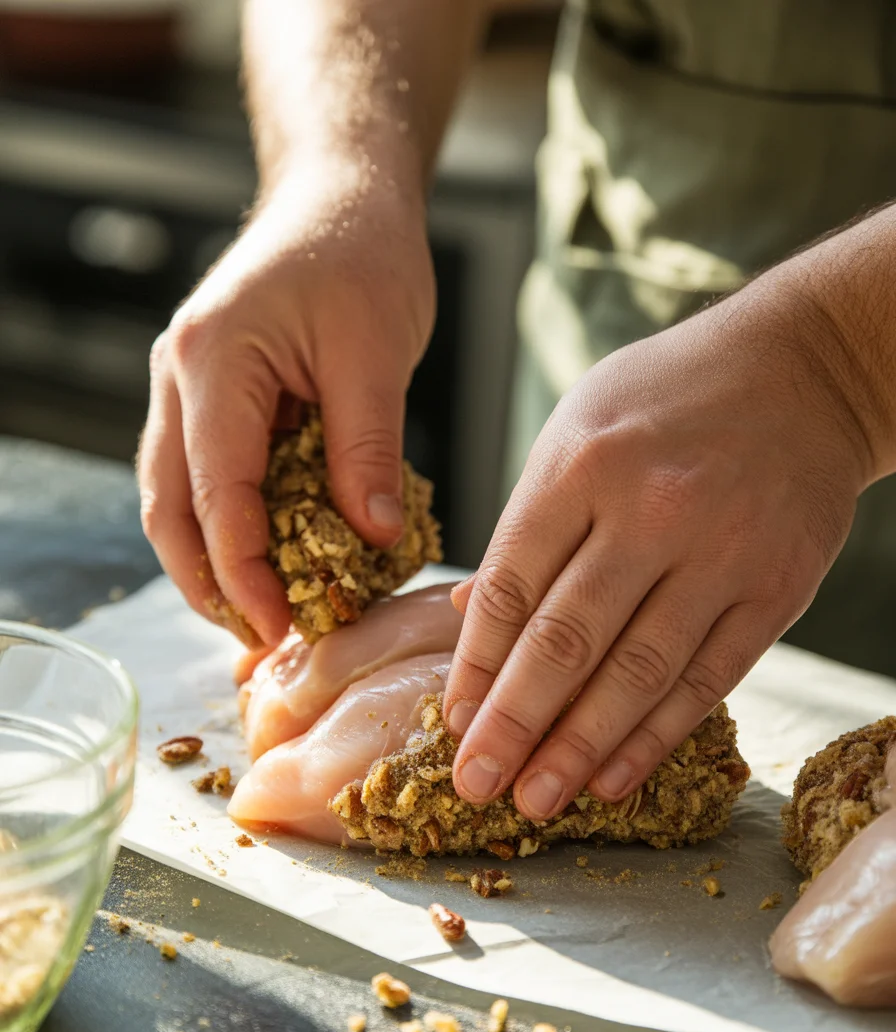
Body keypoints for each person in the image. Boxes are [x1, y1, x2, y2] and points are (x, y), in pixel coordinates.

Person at [138, 0, 896, 824]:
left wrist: (839, 363)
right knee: (547, 648)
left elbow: (840, 358)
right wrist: (334, 173)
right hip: (636, 316)